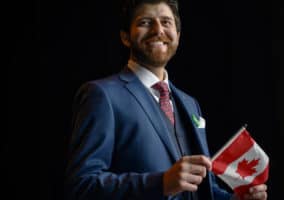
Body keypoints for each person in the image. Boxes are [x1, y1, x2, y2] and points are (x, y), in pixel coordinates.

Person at [64, 0, 268, 199]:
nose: (158, 30)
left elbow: (202, 190)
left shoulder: (190, 104)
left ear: (177, 36)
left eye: (166, 22)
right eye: (145, 22)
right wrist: (160, 183)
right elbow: (82, 186)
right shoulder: (101, 95)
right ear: (125, 37)